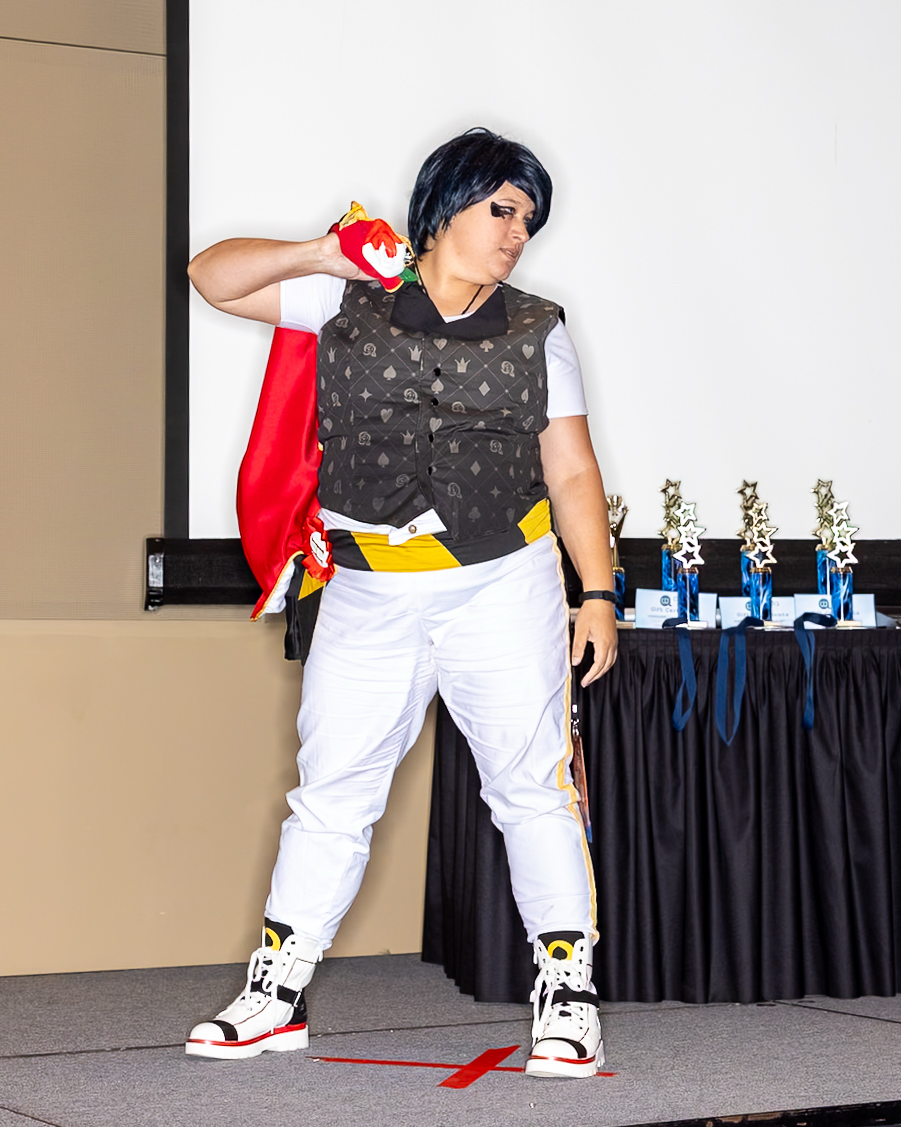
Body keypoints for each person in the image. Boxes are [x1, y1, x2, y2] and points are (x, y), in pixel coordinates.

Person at [184, 127, 618, 1079]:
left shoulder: (538, 327)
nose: (517, 233)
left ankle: (568, 994)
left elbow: (571, 469)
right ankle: (277, 991)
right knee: (330, 791)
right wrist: (318, 251)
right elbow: (210, 278)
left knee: (531, 788)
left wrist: (594, 591)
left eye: (528, 219)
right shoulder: (343, 296)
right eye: (502, 209)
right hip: (368, 590)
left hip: (500, 581)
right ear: (445, 203)